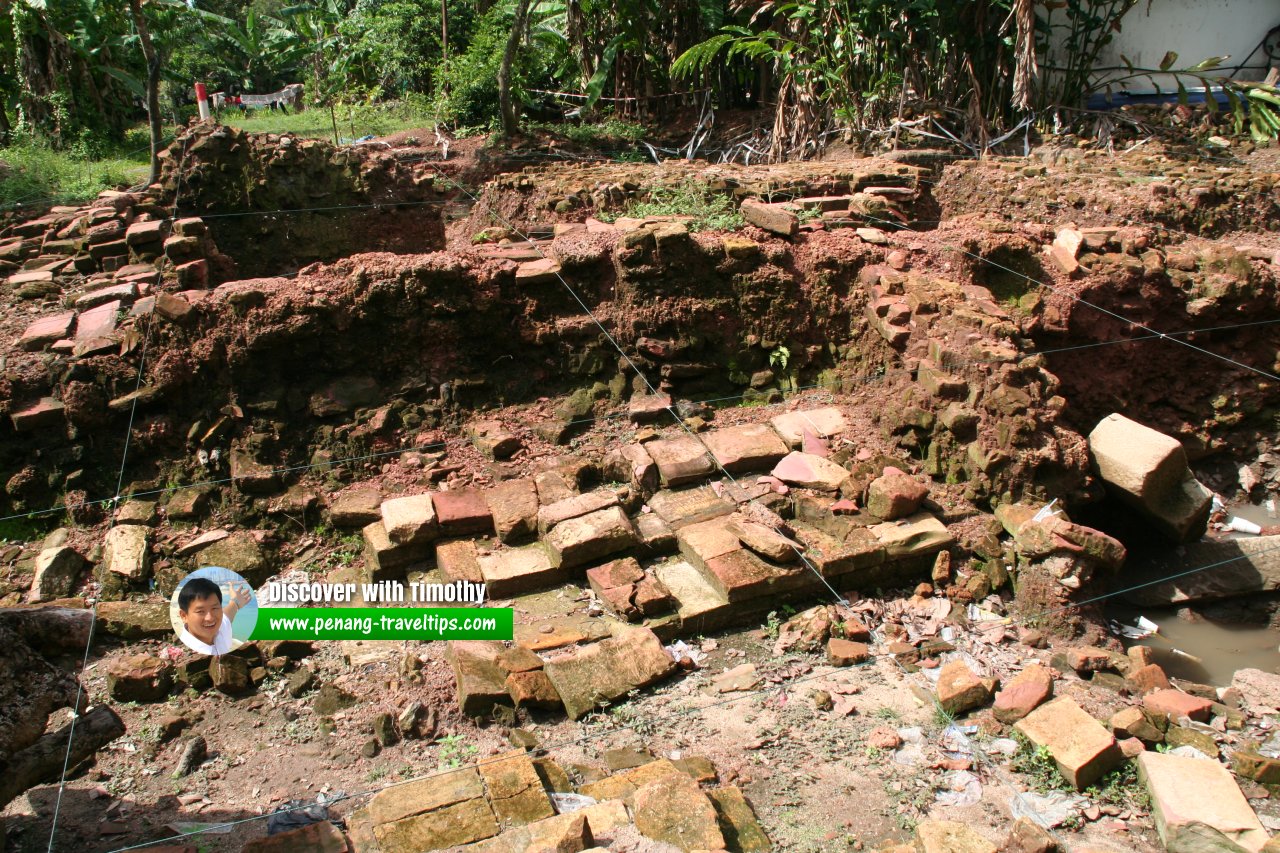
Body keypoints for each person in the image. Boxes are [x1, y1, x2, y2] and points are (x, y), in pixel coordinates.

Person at [177, 576, 252, 655]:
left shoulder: (220, 629)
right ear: (184, 616)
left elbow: (227, 614)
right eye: (200, 611)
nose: (210, 618)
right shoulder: (186, 653)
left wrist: (235, 601)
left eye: (214, 608)